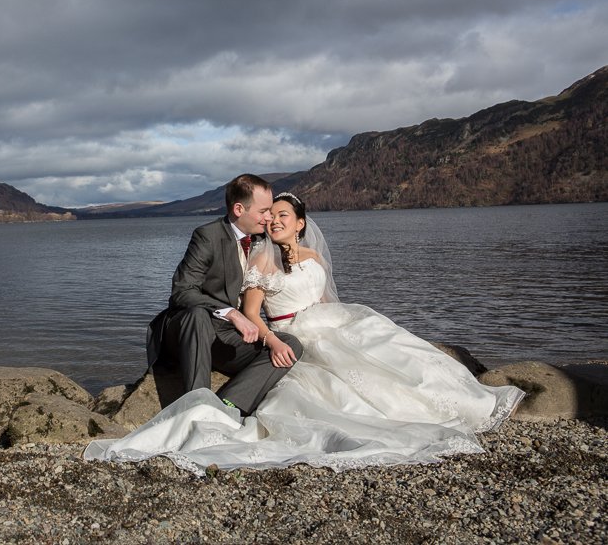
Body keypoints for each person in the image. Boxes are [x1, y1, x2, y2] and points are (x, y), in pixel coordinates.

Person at [85, 192, 525, 474]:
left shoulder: (312, 254)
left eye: (281, 215)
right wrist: (270, 335)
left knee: (381, 342)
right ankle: (216, 408)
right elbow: (250, 310)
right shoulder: (259, 260)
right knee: (316, 367)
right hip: (282, 329)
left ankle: (449, 399)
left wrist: (343, 320)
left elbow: (325, 296)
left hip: (321, 321)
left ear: (299, 222)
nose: (273, 220)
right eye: (269, 214)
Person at [145, 174, 303, 415]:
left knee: (288, 345)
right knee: (197, 314)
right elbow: (182, 291)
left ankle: (228, 404)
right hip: (188, 332)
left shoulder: (263, 239)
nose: (269, 218)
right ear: (239, 209)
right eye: (264, 211)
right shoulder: (207, 236)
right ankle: (196, 407)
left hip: (226, 339)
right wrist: (233, 314)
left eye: (271, 211)